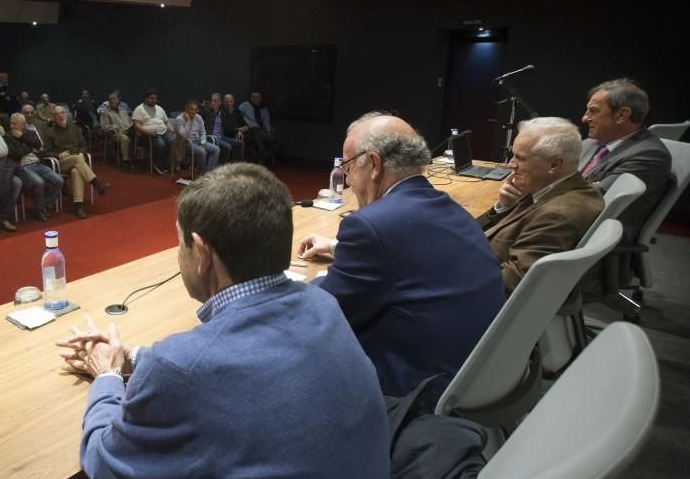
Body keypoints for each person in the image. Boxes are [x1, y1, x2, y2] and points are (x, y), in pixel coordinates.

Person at [57, 163, 389, 479]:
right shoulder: (322, 305)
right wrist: (133, 358)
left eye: (178, 243)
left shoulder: (188, 368)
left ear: (201, 253)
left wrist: (106, 377)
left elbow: (106, 465)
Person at [299, 113, 505, 395]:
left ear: (373, 164)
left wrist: (289, 288)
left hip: (416, 389)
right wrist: (339, 249)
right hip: (477, 373)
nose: (347, 182)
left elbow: (321, 311)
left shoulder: (371, 226)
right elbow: (408, 259)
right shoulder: (451, 209)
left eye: (348, 168)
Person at [479, 117, 604, 292]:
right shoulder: (553, 188)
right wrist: (504, 205)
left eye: (520, 158)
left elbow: (514, 282)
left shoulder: (558, 216)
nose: (510, 164)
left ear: (554, 165)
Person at [580, 78, 672, 243]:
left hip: (591, 241)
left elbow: (595, 201)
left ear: (622, 115)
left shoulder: (650, 155)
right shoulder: (590, 143)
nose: (585, 118)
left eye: (593, 111)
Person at [44, 105, 110, 218]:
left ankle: (78, 205)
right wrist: (57, 155)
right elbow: (45, 152)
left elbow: (83, 144)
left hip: (77, 161)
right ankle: (96, 184)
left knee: (76, 171)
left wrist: (82, 152)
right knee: (77, 159)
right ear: (54, 117)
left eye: (62, 113)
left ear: (66, 114)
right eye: (57, 114)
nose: (60, 116)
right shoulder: (50, 132)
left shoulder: (74, 128)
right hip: (61, 162)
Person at [5, 112, 63, 221]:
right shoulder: (7, 136)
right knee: (39, 182)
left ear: (22, 125)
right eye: (11, 124)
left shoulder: (30, 133)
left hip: (37, 163)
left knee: (58, 180)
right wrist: (30, 148)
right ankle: (39, 210)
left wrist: (22, 136)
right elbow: (14, 153)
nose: (11, 126)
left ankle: (45, 204)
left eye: (14, 124)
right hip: (22, 166)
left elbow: (37, 144)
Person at [132, 88, 175, 174]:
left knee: (172, 141)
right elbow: (136, 125)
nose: (154, 100)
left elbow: (167, 122)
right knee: (161, 144)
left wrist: (173, 131)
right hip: (147, 134)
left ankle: (165, 164)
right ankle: (156, 164)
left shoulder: (159, 108)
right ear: (146, 98)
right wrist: (148, 132)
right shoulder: (139, 109)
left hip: (163, 131)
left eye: (155, 98)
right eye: (151, 98)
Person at [173, 99, 220, 174]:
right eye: (191, 109)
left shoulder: (199, 117)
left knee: (216, 149)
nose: (193, 112)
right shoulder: (179, 119)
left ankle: (210, 172)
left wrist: (203, 143)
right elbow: (183, 136)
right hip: (186, 143)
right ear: (186, 109)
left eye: (195, 110)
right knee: (202, 152)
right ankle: (202, 173)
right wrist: (188, 121)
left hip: (198, 140)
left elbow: (203, 132)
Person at [239, 91, 281, 164]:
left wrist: (268, 132)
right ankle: (263, 154)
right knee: (256, 132)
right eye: (253, 97)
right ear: (251, 98)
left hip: (260, 131)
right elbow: (239, 115)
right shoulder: (245, 105)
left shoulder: (264, 109)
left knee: (278, 139)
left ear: (260, 98)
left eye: (257, 97)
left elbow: (266, 122)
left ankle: (265, 155)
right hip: (249, 129)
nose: (255, 99)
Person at [99, 90, 133, 167]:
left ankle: (136, 158)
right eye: (110, 99)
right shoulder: (106, 112)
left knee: (138, 134)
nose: (111, 100)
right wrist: (115, 127)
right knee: (124, 138)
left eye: (113, 98)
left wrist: (131, 127)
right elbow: (105, 126)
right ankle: (126, 160)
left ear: (118, 100)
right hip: (115, 134)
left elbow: (130, 121)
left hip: (128, 130)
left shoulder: (123, 111)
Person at [199, 92, 232, 163]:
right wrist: (202, 106)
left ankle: (236, 166)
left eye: (215, 101)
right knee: (227, 147)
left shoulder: (223, 112)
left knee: (240, 143)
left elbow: (230, 124)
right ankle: (222, 167)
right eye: (212, 101)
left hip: (223, 136)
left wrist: (237, 131)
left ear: (220, 102)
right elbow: (197, 115)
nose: (213, 103)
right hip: (212, 137)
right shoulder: (207, 112)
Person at [214, 93, 247, 162]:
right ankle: (224, 167)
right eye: (227, 102)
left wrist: (239, 130)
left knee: (241, 143)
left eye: (230, 101)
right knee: (228, 146)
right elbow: (227, 129)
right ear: (222, 102)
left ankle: (235, 165)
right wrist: (237, 130)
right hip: (224, 135)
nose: (229, 104)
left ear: (234, 102)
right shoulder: (222, 111)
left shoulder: (235, 112)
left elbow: (244, 124)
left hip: (229, 134)